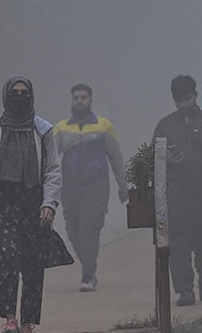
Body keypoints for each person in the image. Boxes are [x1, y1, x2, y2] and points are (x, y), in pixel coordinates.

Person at [0, 76, 69, 333]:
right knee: (8, 258)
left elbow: (53, 171)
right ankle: (10, 318)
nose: (20, 97)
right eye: (15, 92)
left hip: (35, 207)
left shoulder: (43, 130)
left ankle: (29, 322)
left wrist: (50, 204)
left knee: (33, 265)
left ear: (32, 96)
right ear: (5, 95)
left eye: (24, 92)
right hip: (2, 208)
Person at [152, 75, 202, 306]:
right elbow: (153, 155)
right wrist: (165, 158)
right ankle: (185, 290)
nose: (183, 104)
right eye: (178, 101)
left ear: (195, 96)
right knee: (178, 241)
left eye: (187, 99)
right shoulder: (165, 125)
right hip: (176, 192)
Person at [54, 83, 128, 292]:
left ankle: (88, 275)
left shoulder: (103, 127)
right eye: (76, 97)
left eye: (83, 97)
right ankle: (89, 268)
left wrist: (123, 185)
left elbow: (116, 158)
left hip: (96, 186)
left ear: (90, 100)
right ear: (71, 101)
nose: (79, 101)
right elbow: (50, 161)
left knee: (88, 230)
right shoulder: (60, 129)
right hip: (69, 188)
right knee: (73, 232)